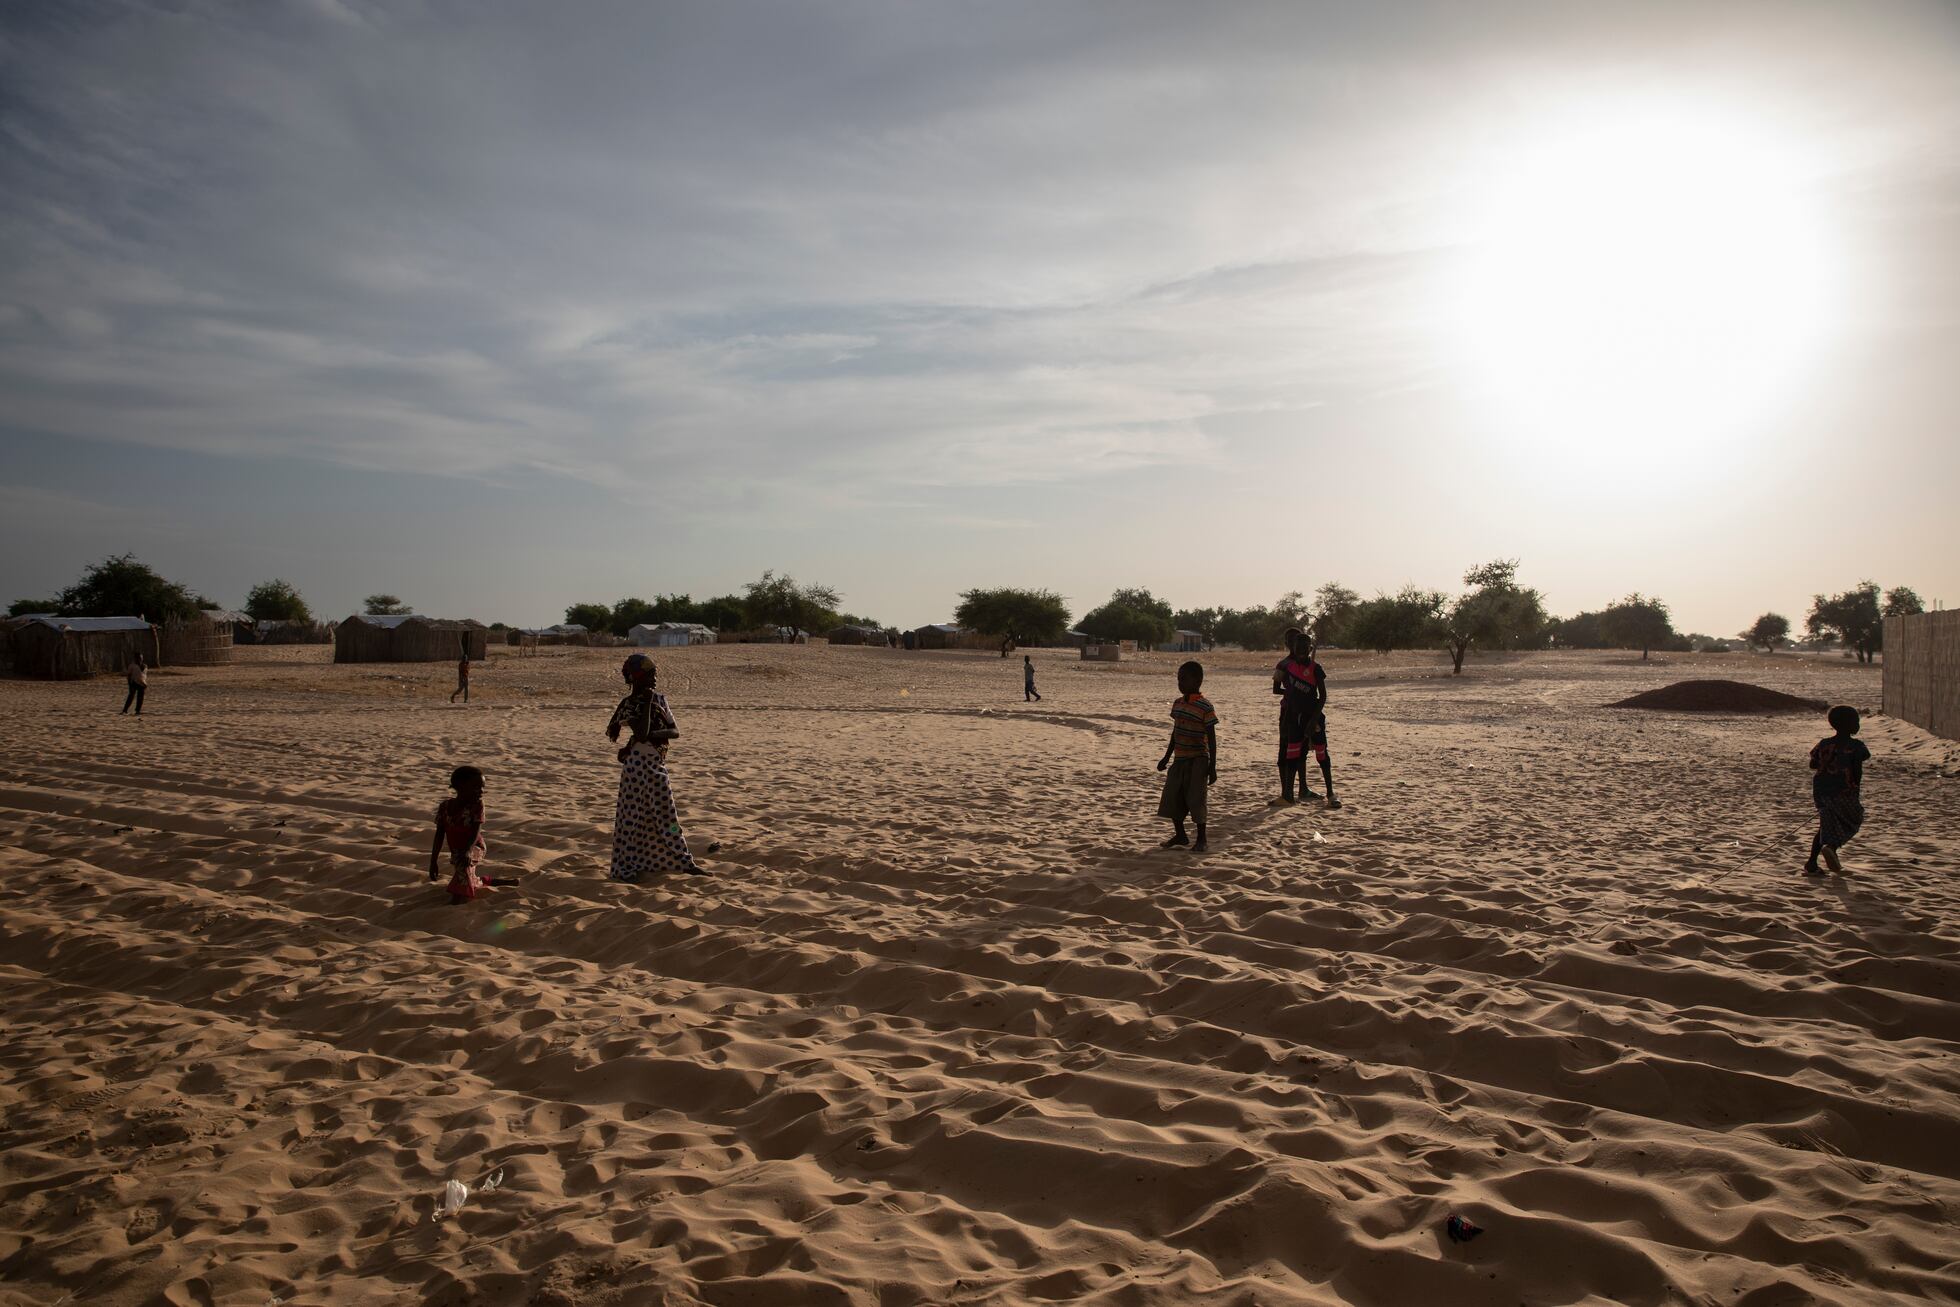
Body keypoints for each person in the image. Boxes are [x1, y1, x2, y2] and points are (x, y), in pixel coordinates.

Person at [606, 654, 709, 879]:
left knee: (668, 817)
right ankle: (627, 869)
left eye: (655, 674)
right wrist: (648, 705)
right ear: (637, 677)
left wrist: (649, 734)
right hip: (635, 769)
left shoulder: (661, 700)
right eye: (650, 675)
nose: (654, 679)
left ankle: (684, 861)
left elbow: (674, 732)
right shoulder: (629, 705)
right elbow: (640, 732)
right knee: (631, 818)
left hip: (655, 765)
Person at [428, 765, 520, 903]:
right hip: (458, 851)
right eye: (476, 787)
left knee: (464, 870)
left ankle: (457, 901)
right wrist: (433, 861)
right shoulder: (445, 807)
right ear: (460, 786)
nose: (481, 791)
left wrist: (467, 851)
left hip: (474, 846)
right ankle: (491, 882)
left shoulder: (477, 805)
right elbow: (439, 834)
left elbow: (475, 832)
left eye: (482, 787)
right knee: (466, 875)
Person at [1156, 660, 1218, 852]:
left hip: (1198, 759)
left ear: (1197, 680)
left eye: (1184, 679)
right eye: (1178, 679)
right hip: (1179, 758)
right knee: (1173, 796)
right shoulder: (1178, 704)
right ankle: (1181, 835)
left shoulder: (1205, 707)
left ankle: (1201, 838)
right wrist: (1166, 757)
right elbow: (1175, 732)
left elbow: (1212, 739)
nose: (1180, 682)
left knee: (1196, 799)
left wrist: (1212, 766)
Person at [1273, 632, 1340, 809]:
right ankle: (1287, 795)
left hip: (1312, 718)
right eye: (1298, 647)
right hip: (1293, 718)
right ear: (1293, 648)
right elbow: (1282, 690)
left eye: (1305, 647)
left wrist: (1314, 720)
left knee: (1321, 754)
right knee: (1291, 755)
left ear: (1310, 649)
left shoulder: (1316, 668)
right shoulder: (1287, 667)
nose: (1301, 650)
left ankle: (1331, 794)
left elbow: (1323, 696)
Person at [1805, 705, 1871, 877]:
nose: (1858, 724)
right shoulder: (1856, 746)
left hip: (1821, 790)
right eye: (1856, 721)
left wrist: (1827, 763)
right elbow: (1858, 769)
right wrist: (1854, 786)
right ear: (1848, 724)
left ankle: (1812, 863)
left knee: (1825, 824)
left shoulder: (1824, 744)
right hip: (1844, 791)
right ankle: (1832, 847)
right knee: (1854, 819)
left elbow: (1813, 764)